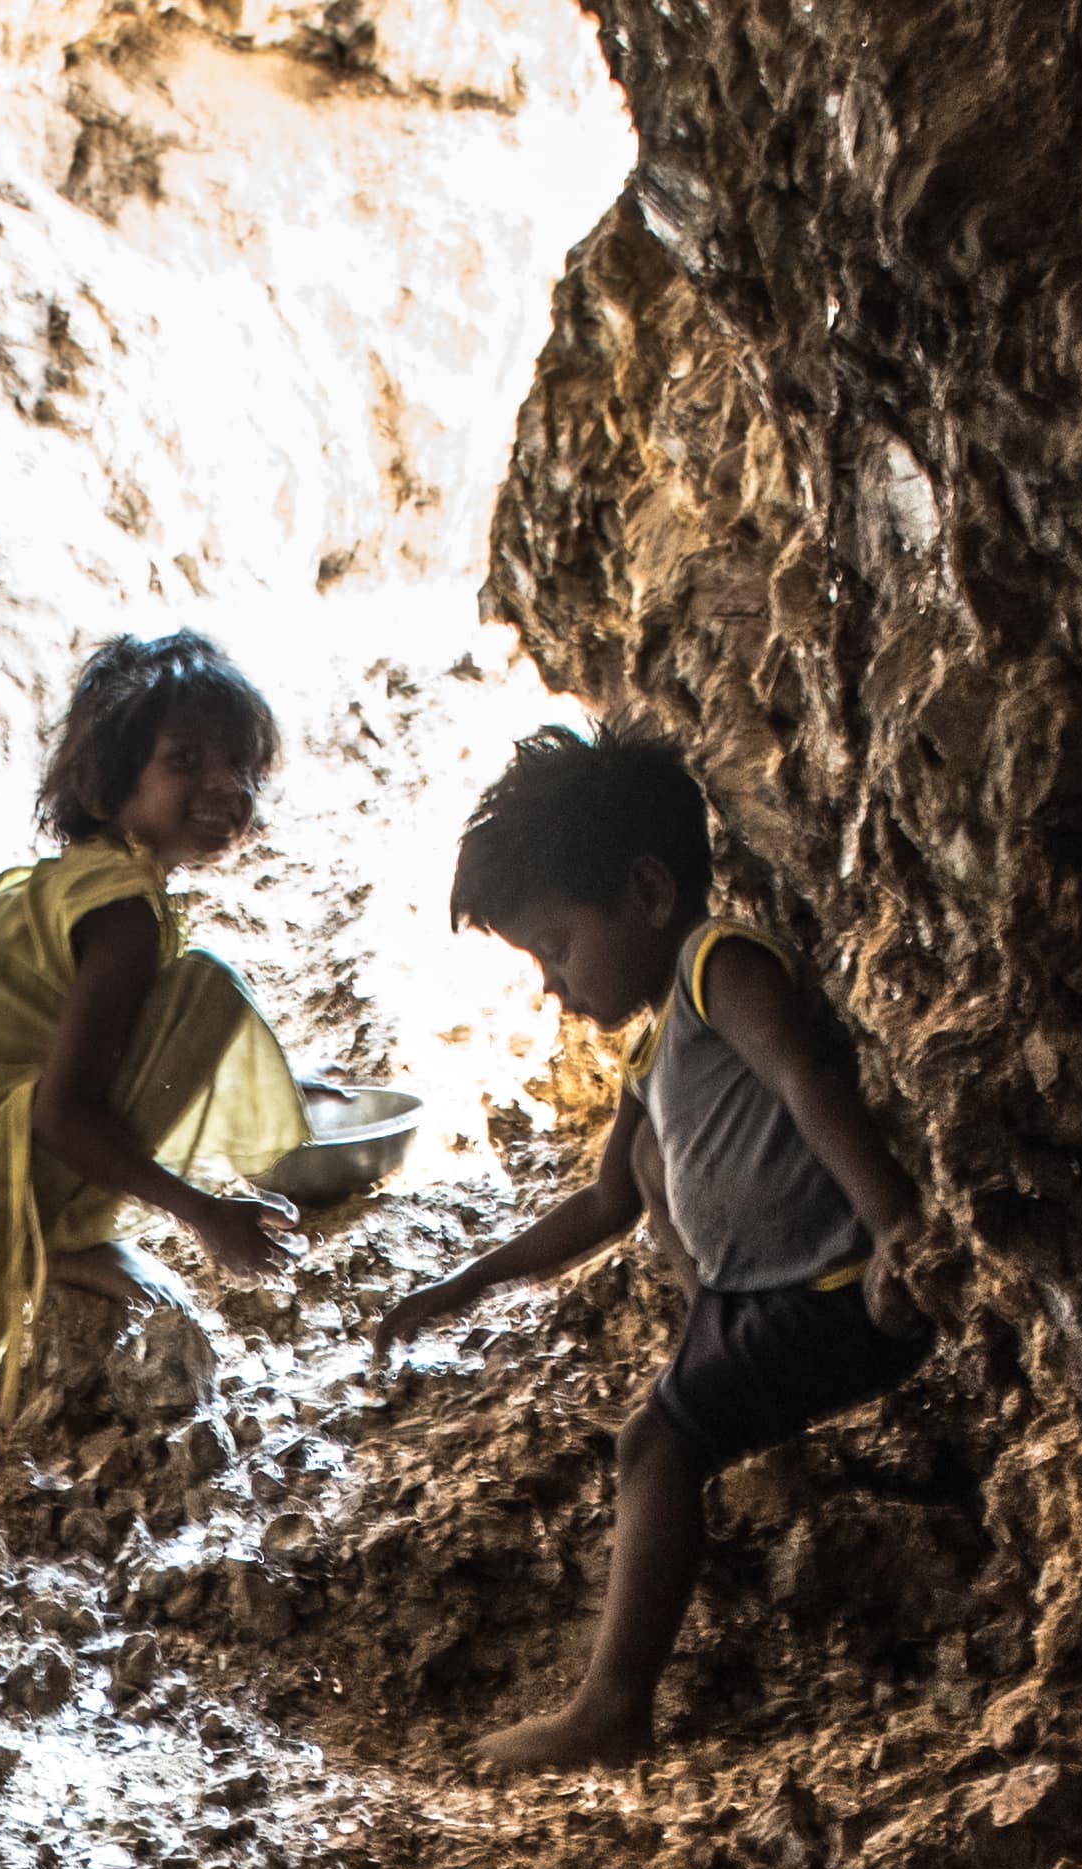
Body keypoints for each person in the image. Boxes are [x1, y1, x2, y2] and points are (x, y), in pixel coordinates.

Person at [379, 716, 935, 1774]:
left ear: (645, 892)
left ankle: (611, 1709)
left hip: (825, 1287)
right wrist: (465, 1283)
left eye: (555, 945)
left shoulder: (718, 966)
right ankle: (615, 1687)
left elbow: (805, 1080)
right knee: (644, 1212)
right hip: (744, 1299)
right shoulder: (650, 1046)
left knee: (660, 1444)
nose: (552, 982)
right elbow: (603, 1205)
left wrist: (892, 1226)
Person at [0, 626, 320, 1435]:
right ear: (110, 784)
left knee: (197, 997)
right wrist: (205, 1215)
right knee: (210, 989)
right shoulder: (121, 912)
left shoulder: (76, 882)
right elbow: (64, 1112)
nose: (226, 785)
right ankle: (49, 1246)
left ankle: (36, 1237)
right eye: (185, 761)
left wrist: (273, 1080)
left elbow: (117, 1048)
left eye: (241, 764)